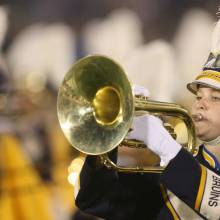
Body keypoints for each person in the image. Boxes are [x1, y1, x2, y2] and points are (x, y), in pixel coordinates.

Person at [72, 22, 220, 220]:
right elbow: (94, 200)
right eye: (198, 96)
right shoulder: (173, 172)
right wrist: (108, 136)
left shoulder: (178, 164)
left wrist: (170, 151)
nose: (200, 104)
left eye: (215, 98)